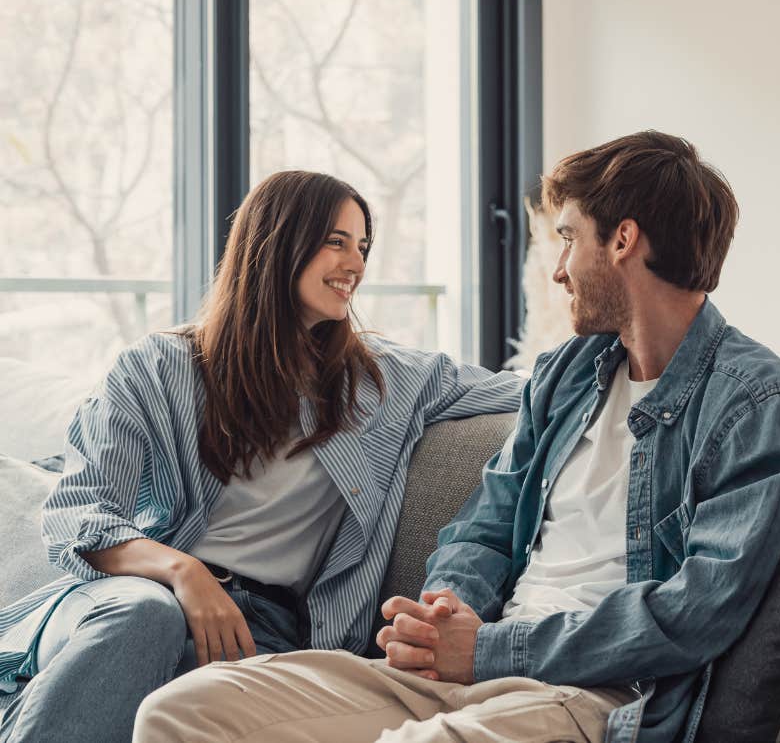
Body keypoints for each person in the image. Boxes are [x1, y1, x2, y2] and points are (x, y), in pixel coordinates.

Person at [133, 132, 780, 743]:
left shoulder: (761, 405)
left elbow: (696, 613)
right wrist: (447, 610)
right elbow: (484, 528)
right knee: (185, 710)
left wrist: (491, 652)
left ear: (622, 241)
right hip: (467, 671)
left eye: (567, 237)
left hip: (594, 696)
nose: (558, 270)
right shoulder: (569, 374)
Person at [0, 170, 524, 743]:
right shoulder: (157, 368)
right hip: (131, 600)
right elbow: (80, 514)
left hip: (266, 632)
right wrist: (185, 571)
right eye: (336, 241)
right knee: (144, 617)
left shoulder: (388, 382)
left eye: (363, 246)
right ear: (278, 242)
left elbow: (538, 387)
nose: (356, 264)